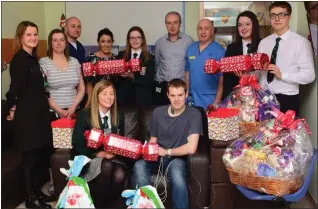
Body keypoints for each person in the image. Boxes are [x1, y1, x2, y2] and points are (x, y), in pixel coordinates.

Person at [132, 78, 203, 209]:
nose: (176, 99)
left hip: (176, 159)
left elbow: (192, 147)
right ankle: (143, 206)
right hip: (156, 156)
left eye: (180, 95)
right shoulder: (158, 112)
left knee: (178, 177)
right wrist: (147, 150)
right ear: (167, 95)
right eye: (173, 95)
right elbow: (153, 139)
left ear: (186, 94)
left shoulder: (194, 114)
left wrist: (166, 152)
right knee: (139, 166)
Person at [6, 21, 52, 208]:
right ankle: (30, 198)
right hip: (28, 118)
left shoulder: (33, 58)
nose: (33, 38)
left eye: (35, 34)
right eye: (28, 35)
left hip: (38, 115)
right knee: (29, 158)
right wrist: (12, 109)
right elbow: (14, 90)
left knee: (38, 156)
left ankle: (35, 194)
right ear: (20, 37)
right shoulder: (19, 60)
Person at [72, 80, 127, 207]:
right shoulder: (84, 115)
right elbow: (77, 144)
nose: (109, 97)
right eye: (104, 94)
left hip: (112, 158)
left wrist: (117, 151)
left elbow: (120, 140)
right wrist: (99, 154)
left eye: (111, 94)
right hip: (90, 157)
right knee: (106, 165)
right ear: (96, 95)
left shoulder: (118, 116)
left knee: (120, 174)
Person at [257, 1, 315, 115]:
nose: (277, 18)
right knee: (264, 132)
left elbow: (309, 75)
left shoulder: (301, 43)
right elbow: (260, 72)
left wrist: (282, 75)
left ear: (289, 17)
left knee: (286, 132)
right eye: (273, 15)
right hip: (264, 97)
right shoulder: (263, 43)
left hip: (287, 99)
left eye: (281, 14)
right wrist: (250, 75)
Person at [39, 29, 85, 121]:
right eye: (55, 40)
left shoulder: (74, 61)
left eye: (62, 40)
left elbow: (81, 88)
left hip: (75, 111)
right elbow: (43, 91)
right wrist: (59, 110)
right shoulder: (44, 62)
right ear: (50, 43)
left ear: (65, 42)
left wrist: (73, 107)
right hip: (53, 113)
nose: (59, 43)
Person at [154, 11, 193, 105]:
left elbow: (191, 65)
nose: (172, 26)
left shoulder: (189, 41)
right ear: (165, 24)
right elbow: (157, 64)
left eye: (175, 22)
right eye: (169, 23)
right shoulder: (159, 43)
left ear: (180, 24)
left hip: (180, 87)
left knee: (180, 116)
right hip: (163, 86)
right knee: (163, 115)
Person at [185, 19, 225, 110]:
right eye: (200, 28)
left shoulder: (219, 51)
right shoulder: (190, 49)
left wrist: (216, 102)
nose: (203, 32)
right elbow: (187, 72)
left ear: (212, 31)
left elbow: (221, 80)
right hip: (192, 99)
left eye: (206, 28)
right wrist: (186, 93)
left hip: (210, 99)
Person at [222, 11, 261, 99]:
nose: (243, 28)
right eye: (240, 25)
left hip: (258, 95)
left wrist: (249, 77)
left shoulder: (262, 45)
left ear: (254, 26)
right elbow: (227, 79)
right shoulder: (231, 48)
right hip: (236, 96)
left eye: (247, 24)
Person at [117, 26, 155, 107]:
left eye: (138, 37)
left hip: (143, 101)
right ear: (128, 40)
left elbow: (149, 79)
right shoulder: (121, 55)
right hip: (123, 100)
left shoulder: (150, 58)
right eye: (132, 38)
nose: (135, 40)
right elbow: (116, 79)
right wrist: (119, 73)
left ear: (142, 40)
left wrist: (132, 75)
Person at [85, 28, 118, 108]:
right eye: (103, 41)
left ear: (112, 42)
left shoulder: (116, 58)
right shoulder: (90, 58)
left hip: (111, 98)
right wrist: (90, 100)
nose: (106, 44)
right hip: (96, 98)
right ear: (98, 42)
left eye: (109, 41)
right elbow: (88, 82)